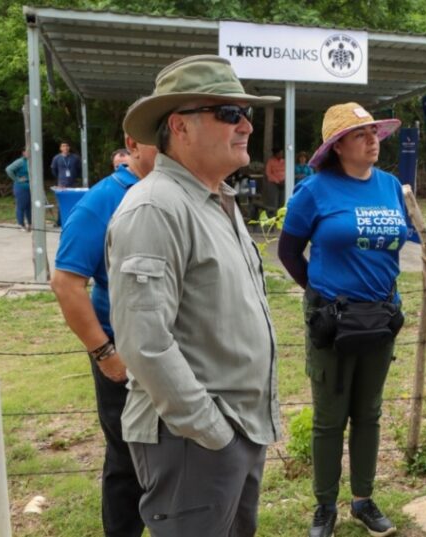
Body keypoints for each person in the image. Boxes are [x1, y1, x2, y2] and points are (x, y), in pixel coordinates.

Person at [107, 55, 281, 537]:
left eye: (245, 113)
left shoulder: (215, 199)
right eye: (229, 113)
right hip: (193, 439)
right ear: (179, 126)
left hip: (234, 430)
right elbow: (144, 342)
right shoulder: (155, 207)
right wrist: (212, 431)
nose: (246, 125)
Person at [278, 102, 409, 537]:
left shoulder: (390, 186)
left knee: (368, 413)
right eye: (360, 135)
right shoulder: (314, 191)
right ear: (337, 146)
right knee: (329, 417)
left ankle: (363, 500)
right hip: (332, 322)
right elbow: (288, 252)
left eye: (374, 132)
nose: (372, 140)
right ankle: (325, 506)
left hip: (380, 316)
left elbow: (396, 244)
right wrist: (320, 295)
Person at [52, 133, 157, 537]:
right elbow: (65, 283)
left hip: (176, 352)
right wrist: (105, 354)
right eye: (158, 139)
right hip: (125, 355)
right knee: (128, 461)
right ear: (133, 143)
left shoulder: (177, 189)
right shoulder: (103, 200)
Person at [50, 141, 82, 227]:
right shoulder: (57, 158)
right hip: (61, 184)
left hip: (73, 183)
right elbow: (54, 170)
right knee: (60, 203)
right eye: (63, 146)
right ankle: (59, 222)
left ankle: (72, 221)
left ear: (69, 147)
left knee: (73, 202)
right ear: (60, 148)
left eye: (67, 146)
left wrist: (75, 177)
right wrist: (60, 178)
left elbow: (79, 169)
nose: (65, 148)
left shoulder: (75, 157)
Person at [5, 149, 31, 231]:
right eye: (27, 151)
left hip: (31, 186)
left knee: (29, 206)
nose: (29, 153)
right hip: (21, 187)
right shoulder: (20, 161)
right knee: (21, 206)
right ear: (23, 153)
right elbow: (8, 169)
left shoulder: (33, 161)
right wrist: (17, 179)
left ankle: (30, 224)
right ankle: (21, 224)